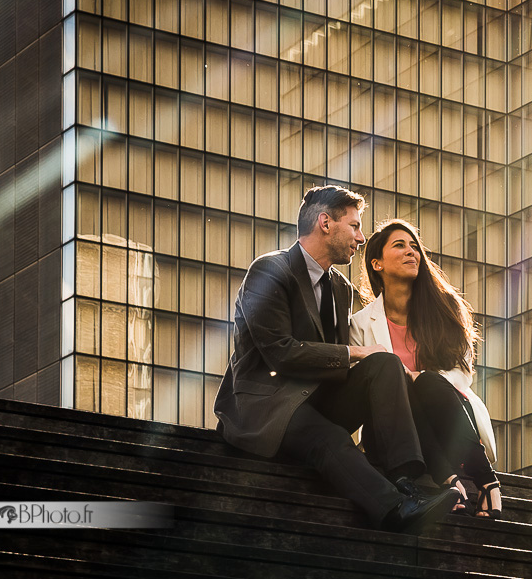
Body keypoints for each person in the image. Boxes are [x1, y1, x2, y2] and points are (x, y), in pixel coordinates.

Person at [214, 186, 458, 534]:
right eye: (355, 226)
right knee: (329, 438)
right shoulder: (269, 270)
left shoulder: (340, 288)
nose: (361, 237)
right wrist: (357, 351)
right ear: (325, 223)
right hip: (263, 405)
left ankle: (407, 480)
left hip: (313, 398)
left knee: (385, 364)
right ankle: (395, 510)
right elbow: (280, 352)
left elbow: (337, 366)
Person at [349, 219, 502, 519]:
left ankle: (464, 481)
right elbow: (368, 385)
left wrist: (419, 378)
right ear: (376, 263)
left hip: (446, 420)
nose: (412, 252)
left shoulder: (443, 308)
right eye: (400, 246)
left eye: (415, 247)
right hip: (393, 435)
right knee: (402, 386)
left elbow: (462, 371)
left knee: (428, 383)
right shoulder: (360, 324)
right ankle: (481, 484)